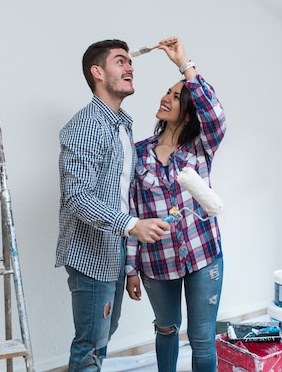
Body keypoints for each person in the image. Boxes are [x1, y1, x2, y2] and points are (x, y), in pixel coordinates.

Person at [56, 39, 170, 372]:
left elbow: (124, 196)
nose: (130, 67)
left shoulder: (122, 124)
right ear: (98, 72)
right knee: (90, 344)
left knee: (104, 335)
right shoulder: (84, 126)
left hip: (115, 250)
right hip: (90, 255)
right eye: (120, 62)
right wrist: (133, 225)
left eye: (129, 62)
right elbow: (78, 196)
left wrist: (129, 261)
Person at [125, 36, 227, 372]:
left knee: (201, 339)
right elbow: (131, 212)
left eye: (175, 96)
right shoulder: (138, 153)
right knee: (166, 330)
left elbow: (215, 114)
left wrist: (184, 63)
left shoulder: (201, 147)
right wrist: (131, 268)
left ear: (189, 109)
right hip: (156, 262)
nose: (165, 98)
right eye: (167, 93)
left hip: (203, 257)